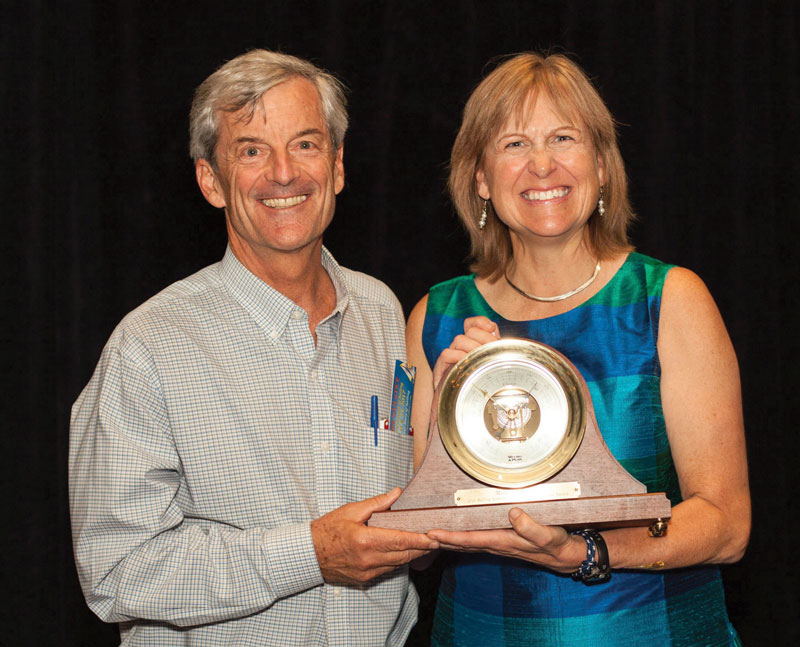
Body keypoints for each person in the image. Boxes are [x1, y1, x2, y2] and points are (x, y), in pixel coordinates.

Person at [69, 49, 438, 646]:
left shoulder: (382, 313)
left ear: (338, 167)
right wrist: (309, 554)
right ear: (210, 180)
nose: (284, 173)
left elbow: (401, 477)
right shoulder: (148, 347)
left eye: (306, 144)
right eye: (251, 150)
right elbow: (117, 571)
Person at [407, 52, 750, 646]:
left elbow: (726, 525)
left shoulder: (667, 299)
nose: (542, 165)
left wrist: (587, 552)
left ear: (601, 167)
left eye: (563, 138)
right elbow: (418, 550)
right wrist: (443, 407)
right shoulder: (435, 319)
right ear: (481, 178)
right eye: (514, 144)